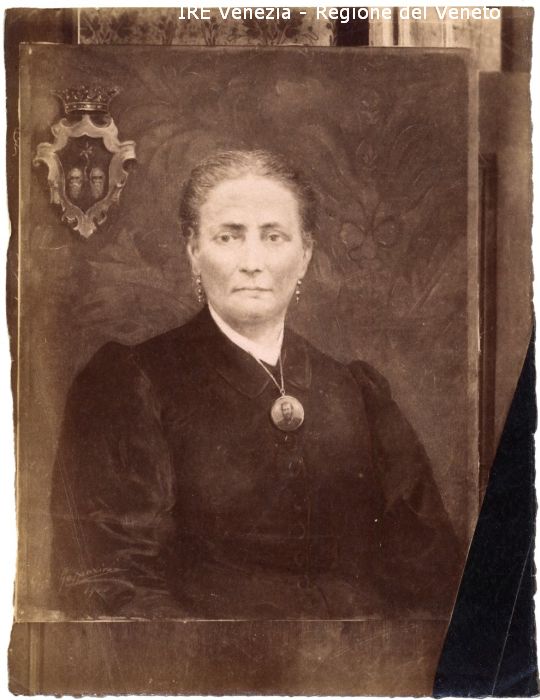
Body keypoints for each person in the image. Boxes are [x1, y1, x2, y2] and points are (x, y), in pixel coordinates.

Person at [50, 149, 463, 620]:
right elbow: (113, 584)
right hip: (203, 662)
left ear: (305, 255)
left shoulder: (356, 392)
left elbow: (432, 575)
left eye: (274, 237)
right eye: (228, 236)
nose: (252, 262)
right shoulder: (132, 383)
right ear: (193, 250)